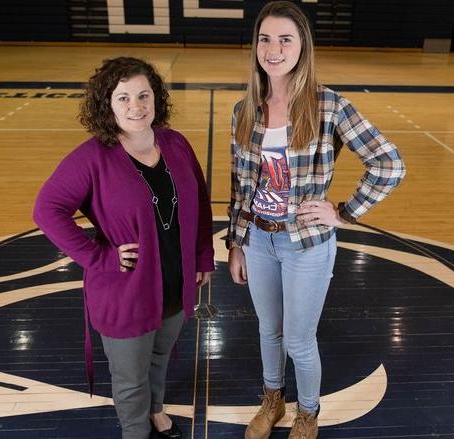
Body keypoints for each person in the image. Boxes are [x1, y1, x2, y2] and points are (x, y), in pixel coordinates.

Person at [225, 2, 406, 438]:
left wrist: (343, 212)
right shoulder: (245, 108)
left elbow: (389, 164)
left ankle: (307, 413)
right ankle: (273, 401)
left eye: (285, 38)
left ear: (303, 45)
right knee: (269, 330)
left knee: (299, 341)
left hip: (306, 244)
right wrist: (235, 241)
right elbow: (240, 183)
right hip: (259, 242)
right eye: (265, 38)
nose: (274, 48)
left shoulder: (329, 107)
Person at [33, 57, 214, 439]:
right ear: (107, 105)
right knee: (130, 376)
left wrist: (202, 258)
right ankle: (135, 431)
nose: (136, 106)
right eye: (124, 97)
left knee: (160, 356)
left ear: (156, 98)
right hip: (126, 289)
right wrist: (97, 256)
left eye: (144, 95)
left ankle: (156, 410)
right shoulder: (91, 158)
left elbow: (198, 200)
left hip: (176, 282)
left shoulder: (175, 143)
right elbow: (47, 209)